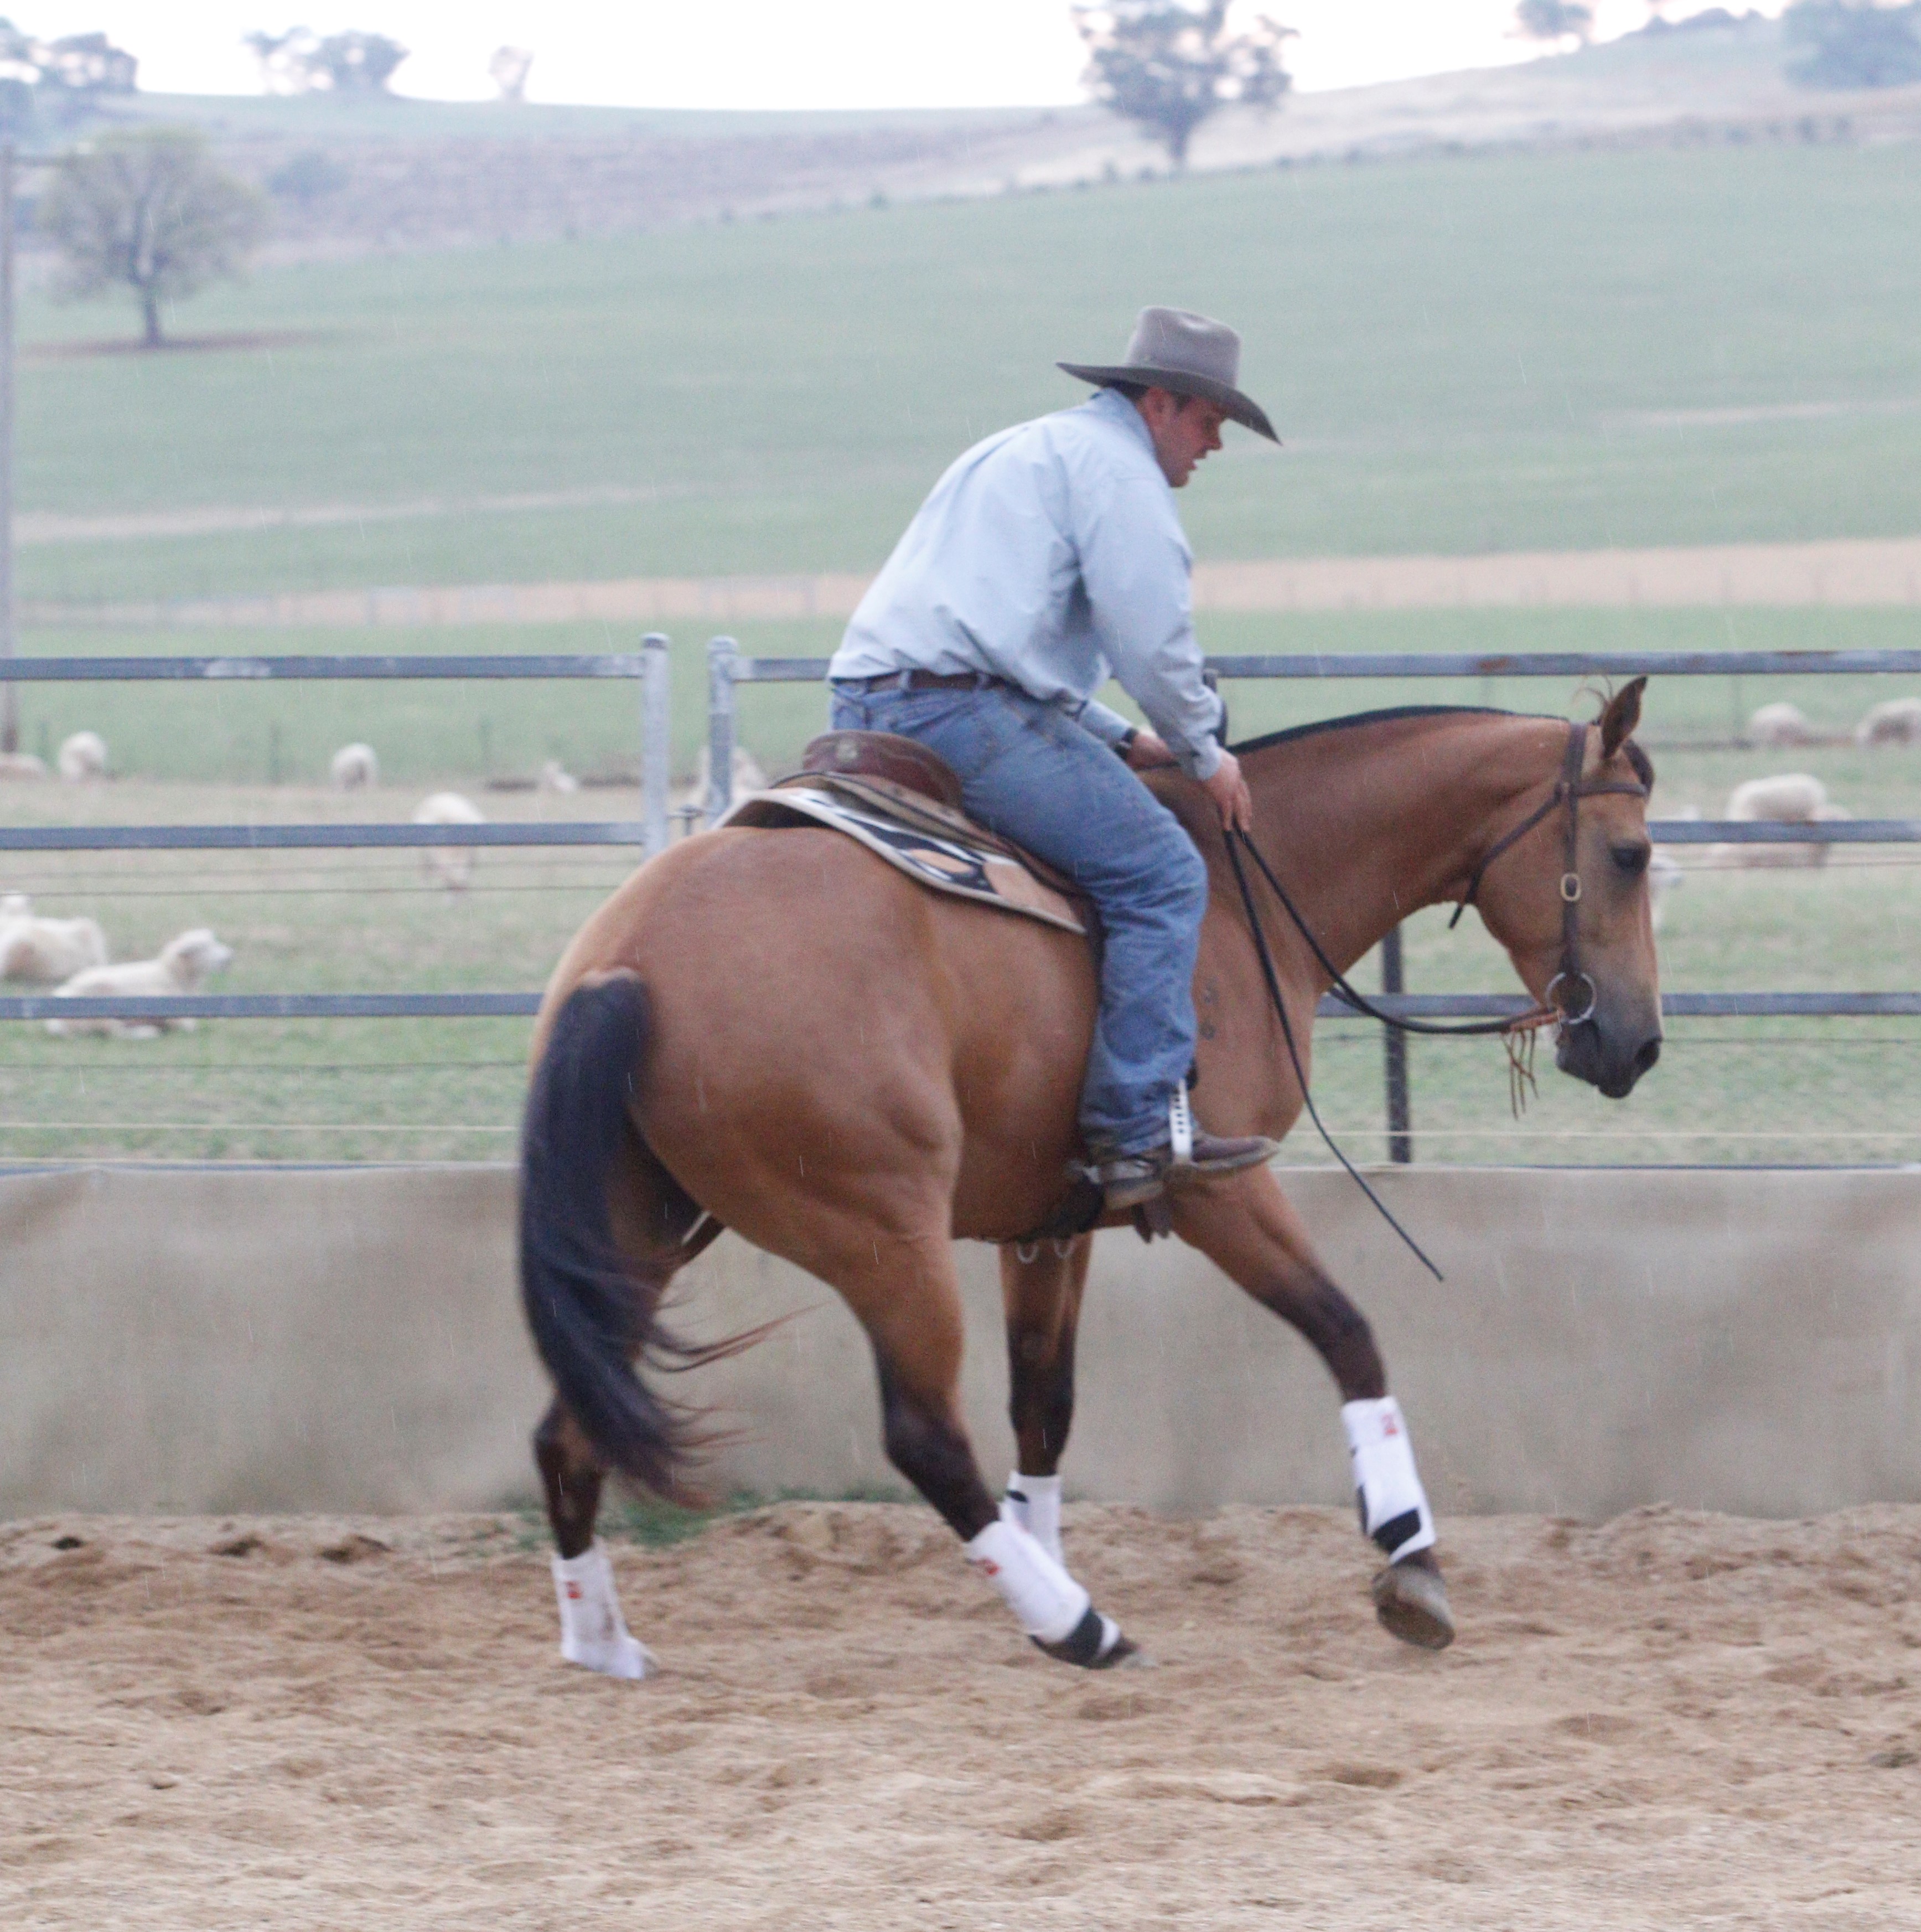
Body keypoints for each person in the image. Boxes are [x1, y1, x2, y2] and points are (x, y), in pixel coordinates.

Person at [827, 306, 1282, 1211]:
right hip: (959, 715)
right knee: (1161, 874)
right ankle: (1134, 1127)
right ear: (1159, 403)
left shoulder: (1021, 449)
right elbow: (1152, 642)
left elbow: (1002, 636)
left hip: (869, 700)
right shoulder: (1121, 477)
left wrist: (1120, 738)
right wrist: (1204, 752)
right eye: (1209, 419)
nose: (1215, 444)